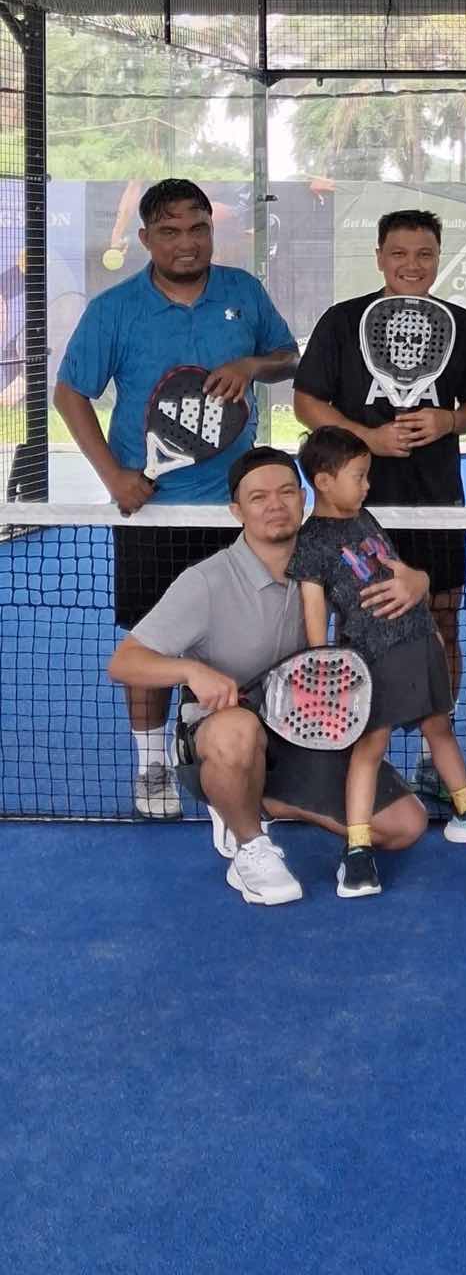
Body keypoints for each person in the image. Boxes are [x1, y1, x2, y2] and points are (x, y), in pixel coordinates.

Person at [54, 178, 299, 820]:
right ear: (145, 239)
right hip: (154, 514)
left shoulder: (243, 293)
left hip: (237, 513)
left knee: (246, 641)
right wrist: (114, 476)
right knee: (152, 641)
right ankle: (151, 763)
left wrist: (250, 367)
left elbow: (288, 357)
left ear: (211, 232)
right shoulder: (114, 310)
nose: (185, 243)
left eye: (197, 229)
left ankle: (239, 752)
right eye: (169, 231)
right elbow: (70, 394)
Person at [104, 447, 428, 906]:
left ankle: (249, 799)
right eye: (258, 497)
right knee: (237, 731)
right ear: (237, 510)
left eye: (286, 492)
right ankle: (249, 844)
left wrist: (419, 581)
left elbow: (396, 584)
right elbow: (124, 662)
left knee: (405, 825)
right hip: (224, 731)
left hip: (303, 730)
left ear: (304, 499)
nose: (275, 505)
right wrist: (191, 670)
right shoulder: (205, 582)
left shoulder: (332, 559)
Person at [292, 209, 466, 803]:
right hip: (352, 509)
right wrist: (367, 440)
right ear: (379, 256)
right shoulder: (341, 322)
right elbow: (306, 403)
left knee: (442, 620)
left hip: (437, 501)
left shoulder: (463, 326)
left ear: (438, 257)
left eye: (424, 253)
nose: (412, 264)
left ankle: (435, 753)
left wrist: (448, 420)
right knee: (349, 625)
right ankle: (347, 747)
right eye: (399, 253)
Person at [291, 427, 466, 898]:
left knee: (439, 726)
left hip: (419, 641)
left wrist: (424, 606)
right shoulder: (311, 542)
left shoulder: (363, 515)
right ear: (324, 481)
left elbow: (395, 571)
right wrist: (323, 663)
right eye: (359, 476)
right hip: (372, 658)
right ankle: (358, 849)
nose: (368, 485)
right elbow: (314, 611)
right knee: (370, 748)